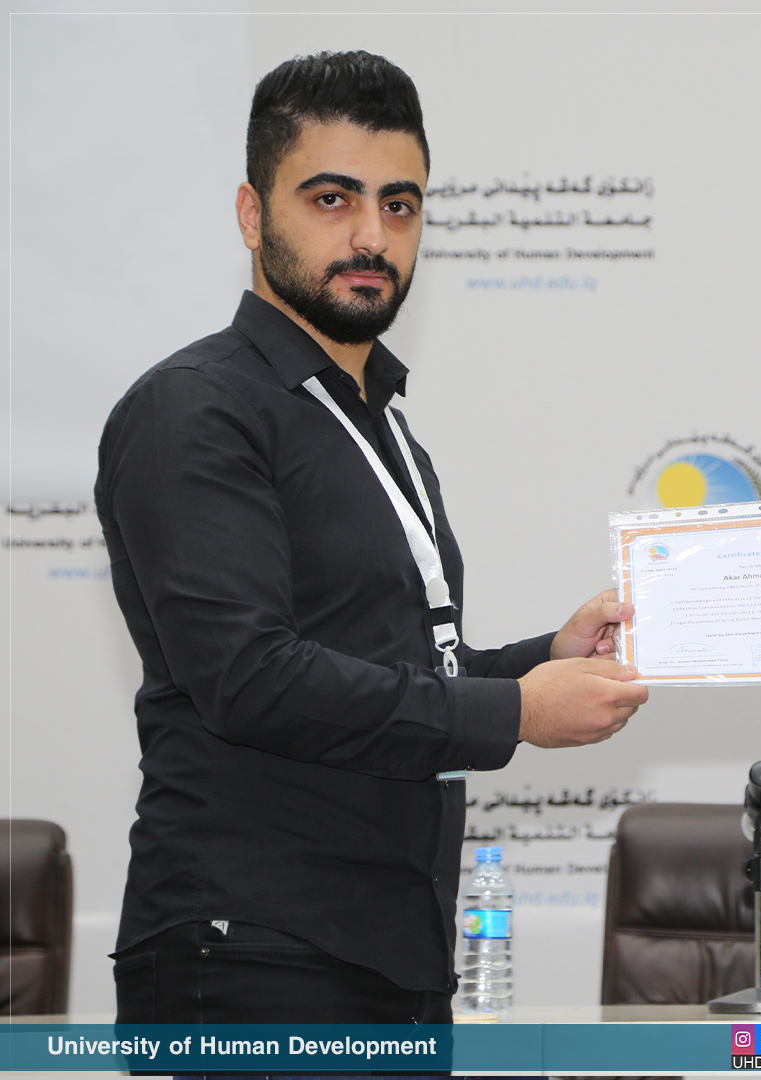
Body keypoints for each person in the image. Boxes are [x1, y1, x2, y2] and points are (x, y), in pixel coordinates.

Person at [98, 50, 648, 1024]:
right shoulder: (195, 409)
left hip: (393, 949)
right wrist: (515, 710)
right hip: (255, 953)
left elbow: (395, 666)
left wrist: (539, 661)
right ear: (251, 215)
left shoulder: (379, 419)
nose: (370, 235)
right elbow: (250, 677)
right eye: (331, 199)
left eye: (400, 205)